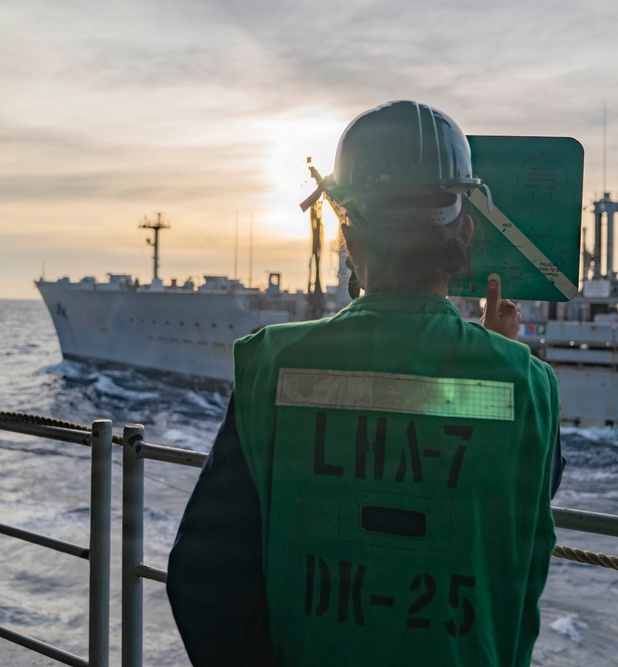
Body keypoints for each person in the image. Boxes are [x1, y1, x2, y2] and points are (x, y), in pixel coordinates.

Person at [166, 100, 564, 667]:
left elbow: (202, 575)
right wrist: (500, 352)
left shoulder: (271, 365)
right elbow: (526, 497)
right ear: (466, 233)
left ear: (346, 235)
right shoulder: (526, 385)